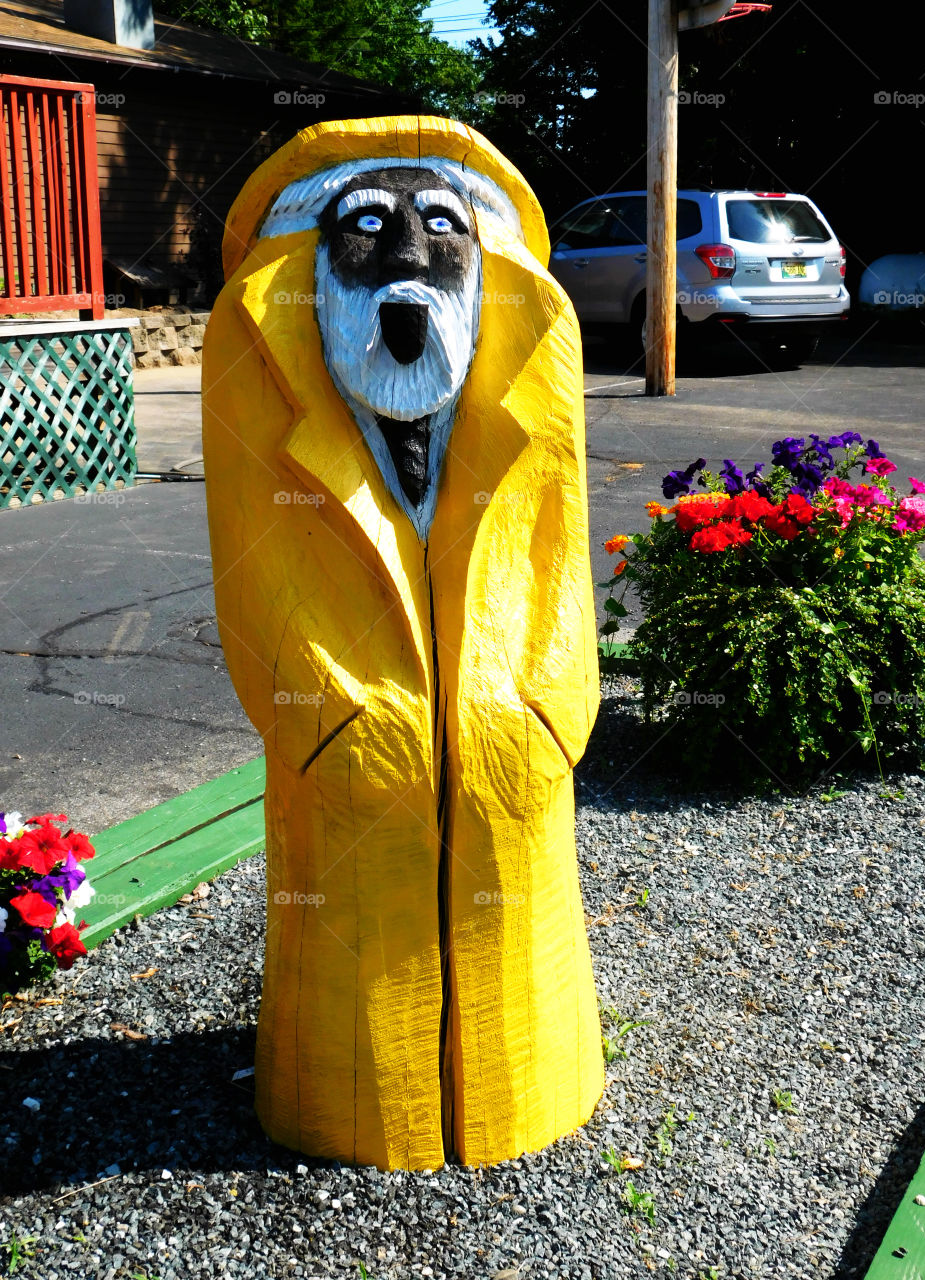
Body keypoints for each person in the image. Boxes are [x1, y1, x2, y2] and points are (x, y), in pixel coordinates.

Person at [203, 115, 602, 1169]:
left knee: (518, 943)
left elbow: (559, 561)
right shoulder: (259, 384)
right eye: (366, 227)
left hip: (507, 766)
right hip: (342, 782)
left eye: (441, 227)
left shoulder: (525, 392)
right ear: (304, 274)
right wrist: (332, 724)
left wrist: (546, 713)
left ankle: (527, 1077)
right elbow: (259, 582)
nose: (409, 260)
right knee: (353, 990)